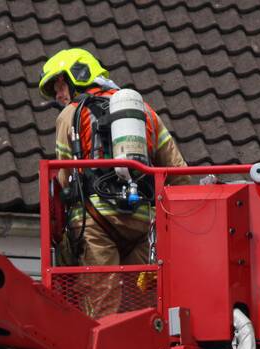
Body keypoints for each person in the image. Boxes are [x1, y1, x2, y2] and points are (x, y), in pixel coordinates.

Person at [39, 48, 187, 316]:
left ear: (78, 77)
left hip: (95, 222)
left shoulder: (69, 115)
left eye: (59, 85)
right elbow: (177, 170)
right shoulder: (144, 112)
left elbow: (64, 179)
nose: (59, 95)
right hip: (143, 223)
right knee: (142, 309)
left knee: (101, 307)